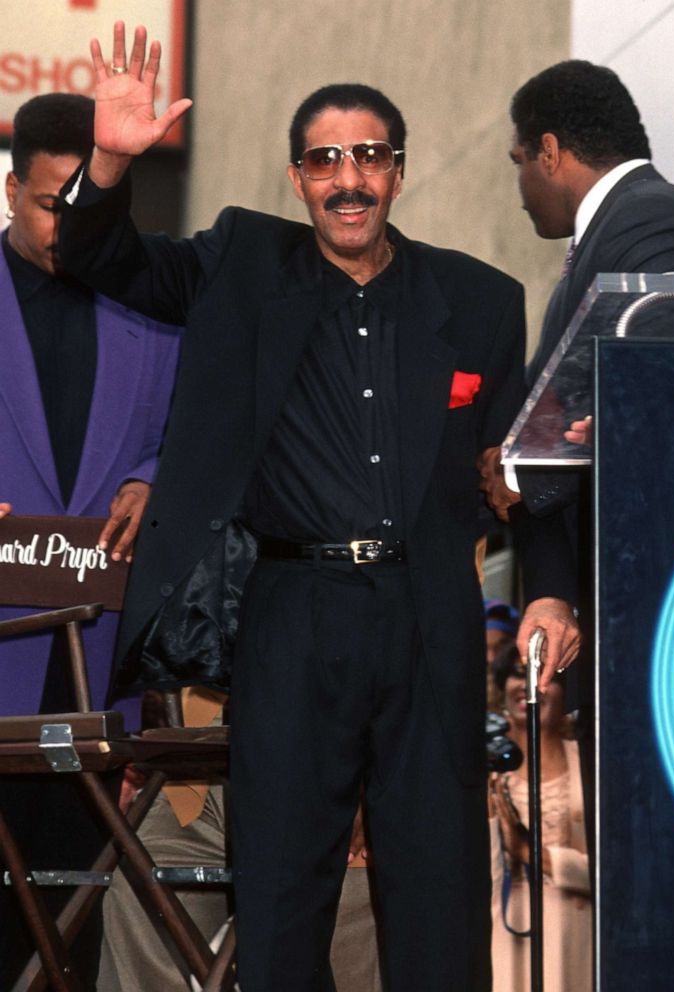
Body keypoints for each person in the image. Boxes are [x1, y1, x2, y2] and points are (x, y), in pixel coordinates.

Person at [58, 23, 580, 991]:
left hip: (427, 611)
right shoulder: (239, 266)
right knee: (283, 875)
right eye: (326, 159)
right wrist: (113, 159)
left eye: (371, 157)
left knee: (436, 872)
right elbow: (102, 259)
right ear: (298, 178)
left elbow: (523, 468)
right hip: (289, 612)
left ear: (400, 171)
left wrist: (548, 589)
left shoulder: (476, 298)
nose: (351, 178)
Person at [478, 59, 674, 864]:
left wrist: (515, 468)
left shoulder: (657, 223)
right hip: (617, 605)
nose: (518, 189)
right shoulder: (606, 239)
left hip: (658, 609)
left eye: (515, 164)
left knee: (656, 863)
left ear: (547, 150)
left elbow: (641, 417)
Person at [0, 92, 181, 985]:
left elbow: (189, 437)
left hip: (98, 672)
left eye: (85, 206)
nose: (67, 228)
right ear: (7, 189)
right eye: (47, 205)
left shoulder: (158, 310)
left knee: (74, 923)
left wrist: (156, 478)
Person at [488, 644, 590, 992]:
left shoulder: (591, 767)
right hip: (505, 938)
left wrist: (533, 854)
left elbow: (616, 872)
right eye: (518, 673)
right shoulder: (484, 767)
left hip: (579, 940)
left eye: (548, 675)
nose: (528, 684)